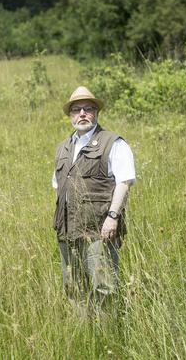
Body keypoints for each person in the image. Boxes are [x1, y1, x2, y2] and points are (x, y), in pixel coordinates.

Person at [52, 86, 135, 312]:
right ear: (69, 115)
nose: (82, 114)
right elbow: (58, 188)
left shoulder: (113, 142)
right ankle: (82, 338)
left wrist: (113, 217)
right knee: (73, 287)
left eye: (88, 109)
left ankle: (108, 339)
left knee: (104, 287)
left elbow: (124, 182)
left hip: (99, 230)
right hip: (67, 231)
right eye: (76, 109)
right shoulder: (62, 149)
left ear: (96, 113)